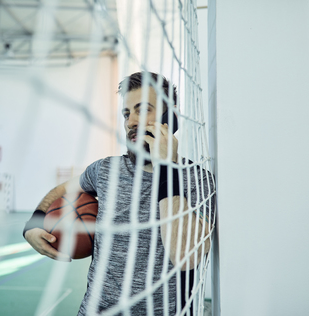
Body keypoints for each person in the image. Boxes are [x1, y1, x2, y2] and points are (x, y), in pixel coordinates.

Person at [23, 72, 215, 315]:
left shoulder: (198, 180)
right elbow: (62, 190)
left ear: (171, 118)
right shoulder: (105, 170)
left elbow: (185, 256)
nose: (131, 121)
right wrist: (33, 225)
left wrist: (166, 167)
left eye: (142, 110)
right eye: (126, 113)